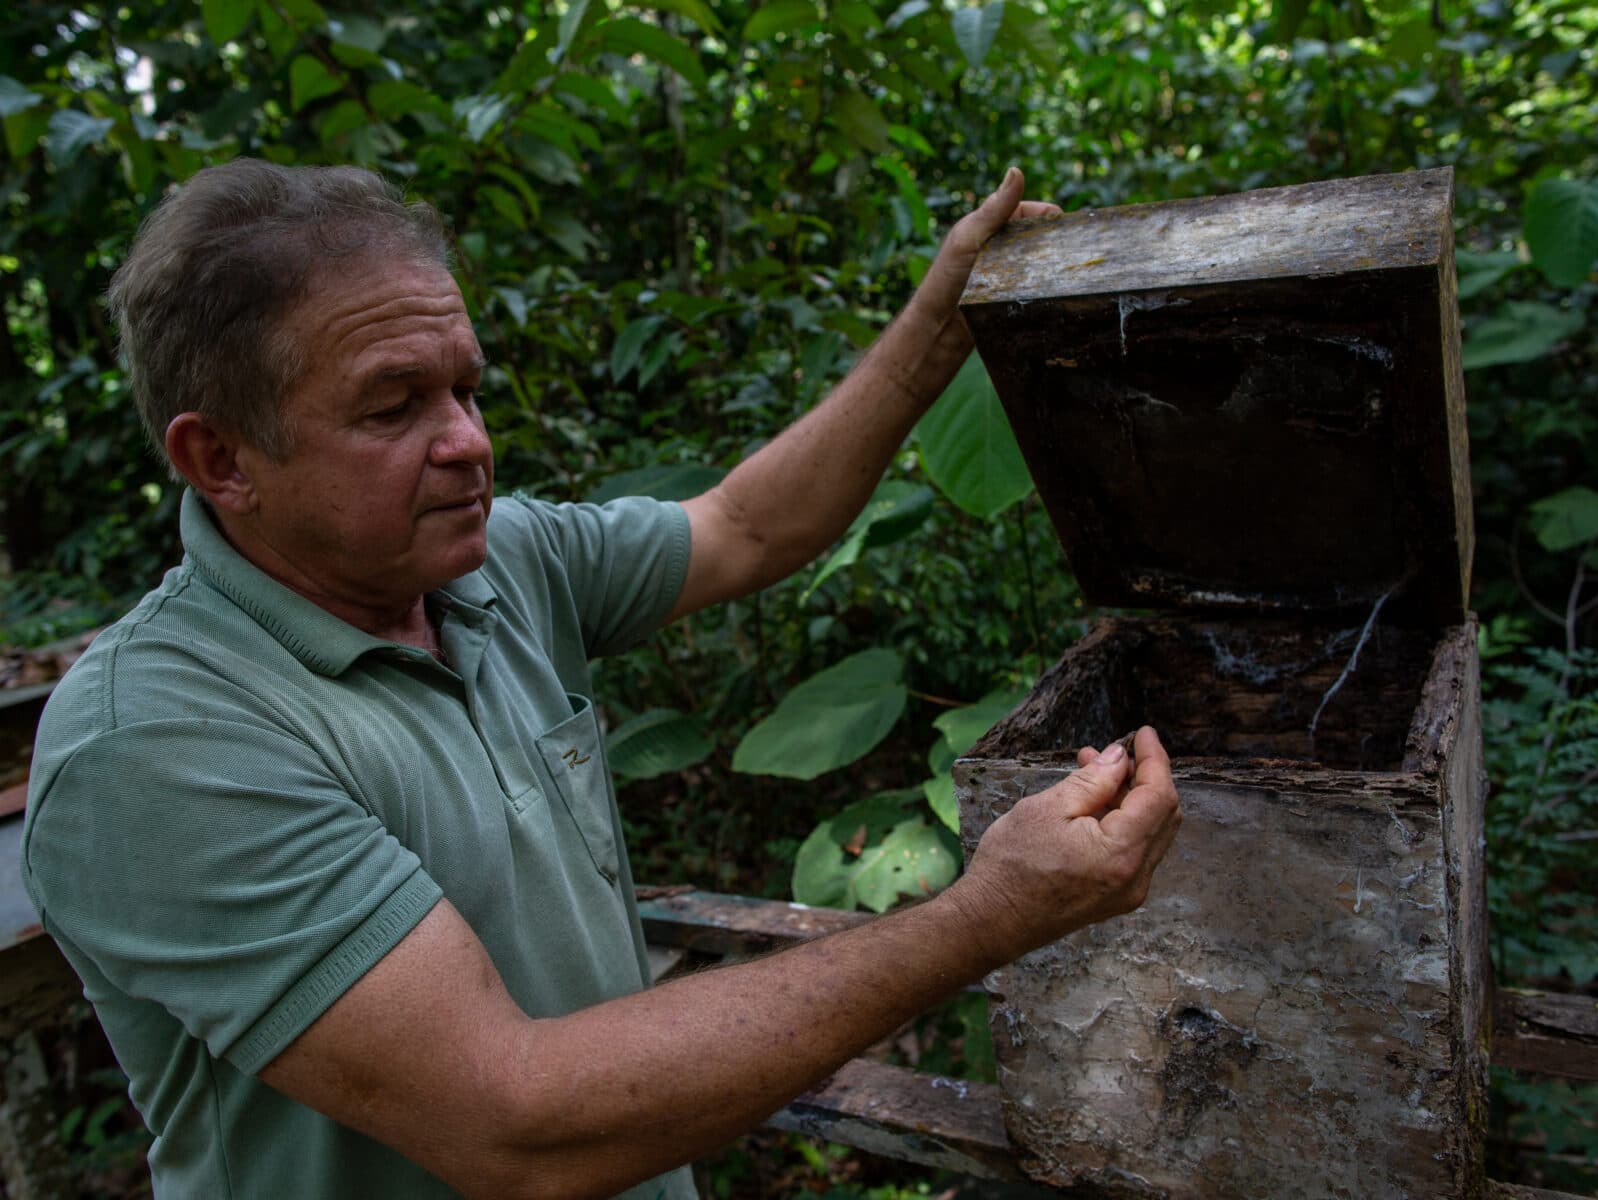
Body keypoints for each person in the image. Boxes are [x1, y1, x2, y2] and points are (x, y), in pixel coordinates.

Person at [20, 159, 1181, 1199]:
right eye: (393, 405)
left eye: (466, 388)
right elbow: (515, 1126)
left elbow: (744, 527)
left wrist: (941, 321)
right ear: (221, 458)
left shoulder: (496, 563)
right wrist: (984, 915)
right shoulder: (160, 741)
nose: (467, 440)